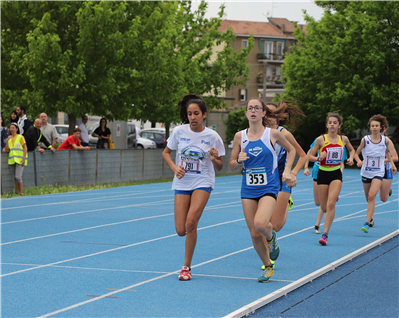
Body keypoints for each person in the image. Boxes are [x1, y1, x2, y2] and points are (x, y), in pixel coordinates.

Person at [229, 98, 295, 283]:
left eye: (257, 108)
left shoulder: (272, 134)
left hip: (269, 186)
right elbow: (232, 165)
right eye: (250, 108)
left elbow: (292, 150)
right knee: (254, 233)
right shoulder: (239, 136)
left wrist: (288, 171)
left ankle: (271, 236)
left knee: (260, 223)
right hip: (248, 188)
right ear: (246, 113)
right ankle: (268, 266)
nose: (253, 111)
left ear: (263, 113)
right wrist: (239, 160)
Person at [162, 94, 225, 281]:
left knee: (191, 223)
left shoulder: (212, 136)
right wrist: (174, 167)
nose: (192, 117)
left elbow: (220, 165)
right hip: (182, 182)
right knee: (181, 230)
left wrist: (214, 159)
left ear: (204, 115)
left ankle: (186, 267)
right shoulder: (179, 132)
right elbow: (166, 153)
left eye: (196, 113)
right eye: (189, 114)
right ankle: (188, 251)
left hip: (202, 182)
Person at [309, 113, 355, 246]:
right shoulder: (320, 140)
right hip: (322, 173)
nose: (332, 125)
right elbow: (310, 156)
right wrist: (319, 158)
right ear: (327, 124)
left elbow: (352, 150)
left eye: (335, 122)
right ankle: (332, 198)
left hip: (336, 173)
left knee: (330, 205)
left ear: (339, 125)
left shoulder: (344, 139)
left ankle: (325, 234)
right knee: (323, 207)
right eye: (330, 122)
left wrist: (351, 158)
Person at [265, 101, 307, 233]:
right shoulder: (258, 133)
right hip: (264, 181)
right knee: (263, 222)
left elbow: (303, 156)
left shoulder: (284, 134)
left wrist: (293, 173)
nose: (268, 117)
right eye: (266, 113)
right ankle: (267, 248)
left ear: (278, 116)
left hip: (282, 180)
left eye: (272, 114)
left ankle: (287, 202)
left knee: (275, 226)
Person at [354, 115, 395, 233]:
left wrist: (392, 164)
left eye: (377, 125)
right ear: (370, 127)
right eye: (372, 126)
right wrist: (359, 161)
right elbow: (357, 153)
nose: (375, 128)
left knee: (372, 196)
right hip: (366, 172)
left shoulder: (385, 140)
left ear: (381, 127)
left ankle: (367, 222)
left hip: (378, 172)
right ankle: (370, 218)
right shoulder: (365, 140)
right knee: (368, 198)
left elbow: (387, 153)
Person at [304, 137, 347, 234]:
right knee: (318, 203)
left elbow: (341, 162)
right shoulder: (320, 139)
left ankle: (318, 225)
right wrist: (306, 167)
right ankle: (330, 199)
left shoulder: (339, 142)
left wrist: (340, 172)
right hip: (318, 172)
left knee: (330, 203)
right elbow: (309, 153)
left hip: (333, 173)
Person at [3, 123, 27, 195]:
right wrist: (7, 140)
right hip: (12, 160)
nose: (11, 129)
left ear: (16, 129)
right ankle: (18, 192)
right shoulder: (9, 139)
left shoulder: (20, 137)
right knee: (15, 177)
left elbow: (25, 147)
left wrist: (24, 158)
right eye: (10, 128)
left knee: (18, 176)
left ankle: (21, 192)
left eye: (13, 128)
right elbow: (7, 150)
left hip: (19, 160)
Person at [379, 128, 398, 202]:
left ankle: (387, 189)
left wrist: (382, 160)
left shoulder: (387, 141)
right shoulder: (369, 140)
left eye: (381, 129)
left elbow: (396, 158)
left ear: (385, 129)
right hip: (374, 168)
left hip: (386, 169)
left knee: (383, 199)